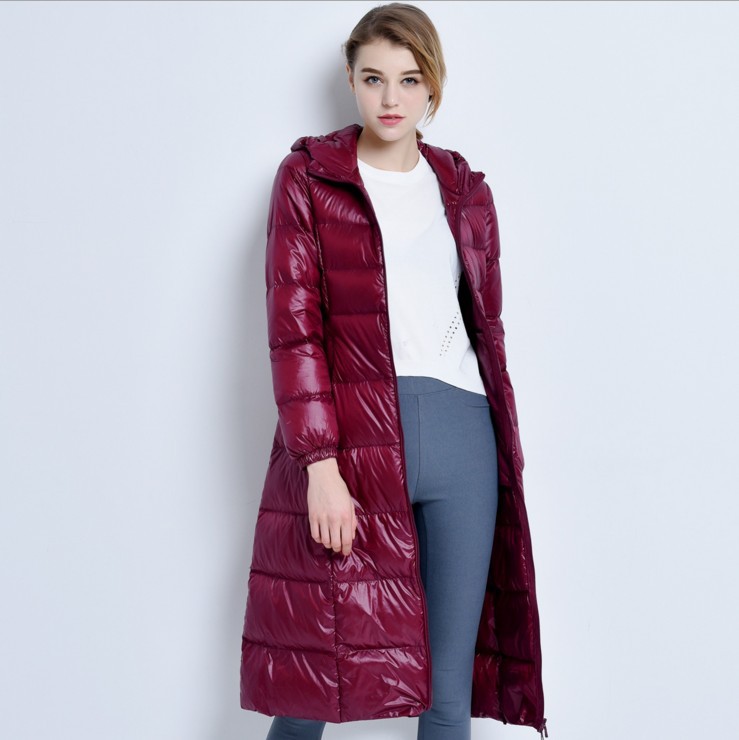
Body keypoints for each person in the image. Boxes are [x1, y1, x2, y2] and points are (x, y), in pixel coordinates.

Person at [240, 3, 547, 739]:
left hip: (463, 441)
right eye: (373, 77)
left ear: (431, 86)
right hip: (353, 447)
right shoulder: (308, 180)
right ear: (350, 79)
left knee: (445, 693)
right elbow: (293, 333)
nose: (390, 98)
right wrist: (320, 468)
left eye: (409, 80)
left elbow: (485, 329)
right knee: (312, 682)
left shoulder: (465, 190)